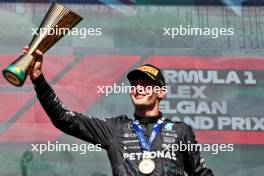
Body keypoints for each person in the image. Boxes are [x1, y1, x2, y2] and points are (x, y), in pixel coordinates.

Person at [24, 47, 214, 176]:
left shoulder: (180, 131)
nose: (138, 89)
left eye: (146, 85)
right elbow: (64, 118)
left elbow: (202, 174)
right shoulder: (115, 129)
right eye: (135, 85)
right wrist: (38, 80)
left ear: (161, 92)